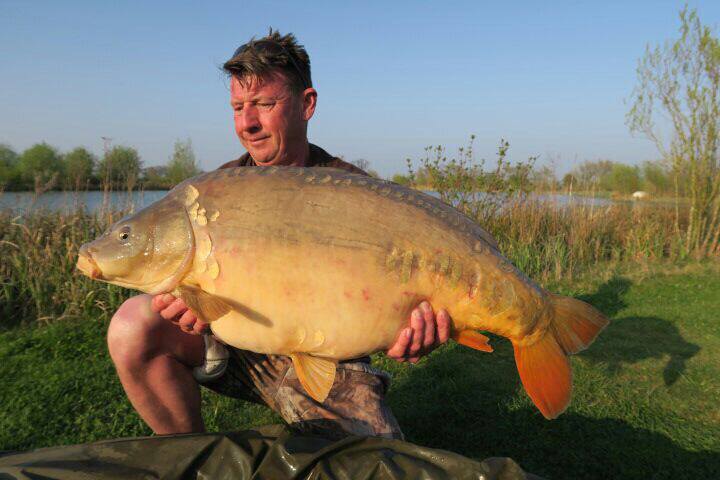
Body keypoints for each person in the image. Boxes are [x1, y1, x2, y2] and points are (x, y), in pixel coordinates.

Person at [107, 30, 451, 440]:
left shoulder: (356, 194)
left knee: (371, 459)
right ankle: (191, 453)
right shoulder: (216, 193)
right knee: (133, 324)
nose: (247, 124)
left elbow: (392, 299)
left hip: (328, 359)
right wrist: (189, 305)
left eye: (264, 104)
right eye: (238, 108)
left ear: (307, 104)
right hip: (235, 345)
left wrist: (415, 330)